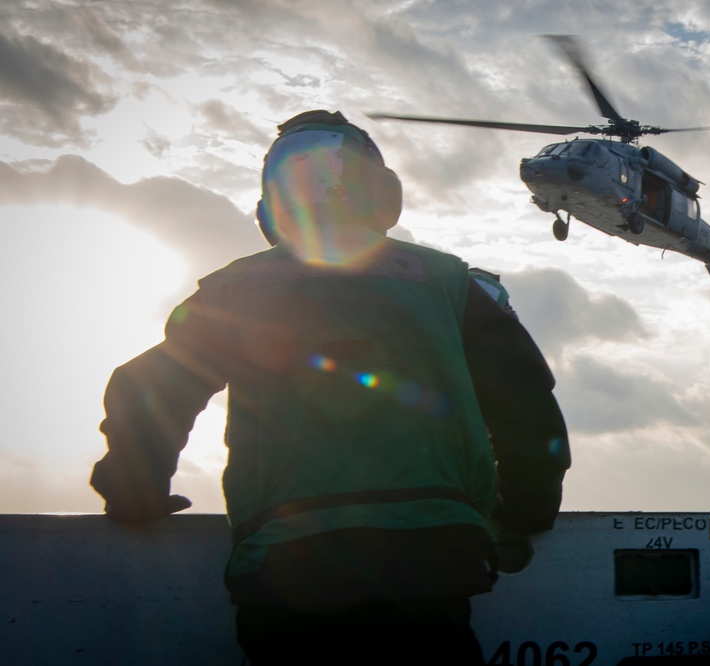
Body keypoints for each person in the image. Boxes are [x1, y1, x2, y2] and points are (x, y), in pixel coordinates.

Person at [90, 110, 570, 664]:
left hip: (286, 566)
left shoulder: (232, 290)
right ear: (382, 194)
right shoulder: (451, 284)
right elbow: (526, 408)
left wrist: (135, 493)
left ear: (272, 207)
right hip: (433, 562)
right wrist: (527, 511)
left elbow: (148, 391)